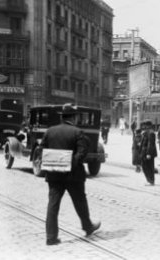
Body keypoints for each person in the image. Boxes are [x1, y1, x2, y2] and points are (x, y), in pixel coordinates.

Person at [41, 103, 100, 246]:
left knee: (53, 205)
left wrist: (56, 163)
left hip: (54, 174)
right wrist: (69, 163)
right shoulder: (77, 132)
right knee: (80, 202)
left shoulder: (50, 131)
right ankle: (87, 227)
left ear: (63, 117)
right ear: (73, 117)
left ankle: (51, 237)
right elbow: (82, 153)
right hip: (73, 176)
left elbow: (43, 149)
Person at [140, 120, 157, 185]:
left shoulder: (151, 133)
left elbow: (151, 144)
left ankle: (151, 181)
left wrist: (148, 153)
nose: (144, 126)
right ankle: (149, 180)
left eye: (145, 125)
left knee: (149, 167)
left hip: (148, 153)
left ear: (148, 125)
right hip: (144, 152)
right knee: (145, 166)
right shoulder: (147, 132)